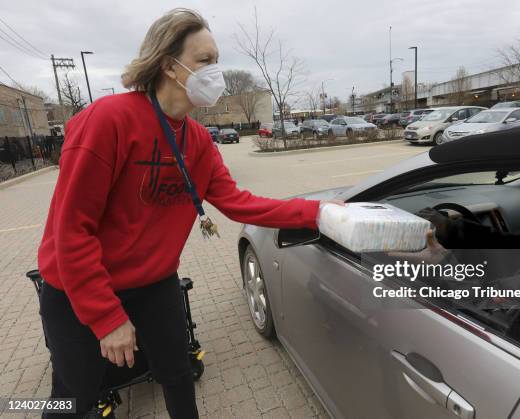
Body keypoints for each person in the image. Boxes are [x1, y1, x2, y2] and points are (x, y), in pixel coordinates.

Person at [37, 9, 341, 418]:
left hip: (153, 284)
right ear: (169, 65)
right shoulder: (107, 121)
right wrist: (107, 318)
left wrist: (318, 212)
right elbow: (72, 230)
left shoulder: (197, 139)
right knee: (75, 399)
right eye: (205, 60)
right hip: (79, 289)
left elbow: (239, 202)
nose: (216, 71)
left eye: (217, 60)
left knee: (178, 375)